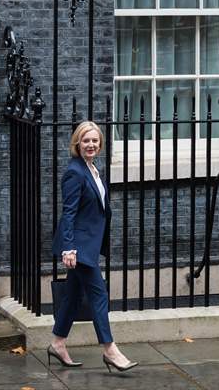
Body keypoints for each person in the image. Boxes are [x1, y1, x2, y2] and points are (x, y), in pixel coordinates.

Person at [49, 121, 138, 372]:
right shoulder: (75, 172)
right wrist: (68, 248)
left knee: (74, 296)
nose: (91, 145)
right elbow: (69, 213)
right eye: (86, 140)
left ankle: (57, 343)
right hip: (78, 248)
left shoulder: (92, 169)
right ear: (77, 143)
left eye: (95, 141)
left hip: (87, 245)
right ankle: (110, 350)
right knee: (98, 294)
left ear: (100, 144)